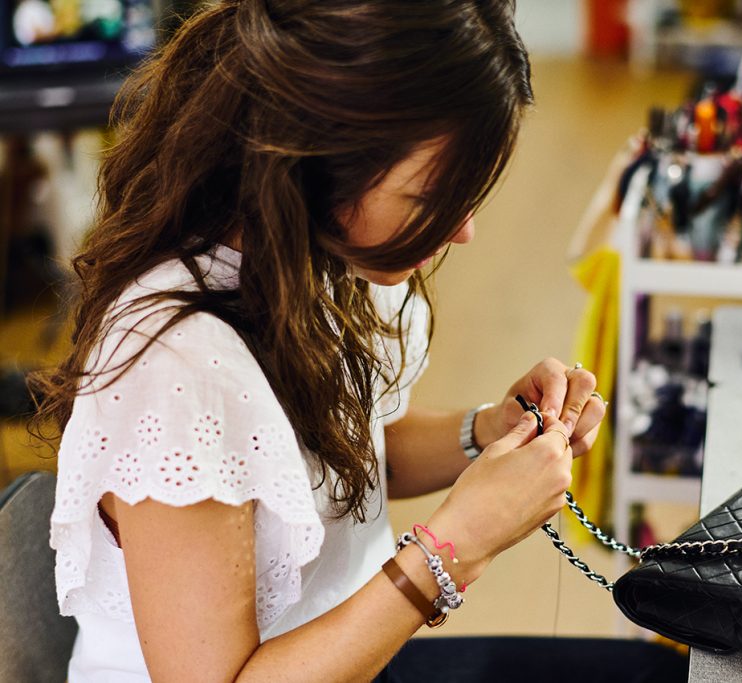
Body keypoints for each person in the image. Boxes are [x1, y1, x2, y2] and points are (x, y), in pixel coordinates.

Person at [33, 1, 688, 680]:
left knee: (667, 673)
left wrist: (489, 430)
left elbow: (347, 458)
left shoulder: (321, 253)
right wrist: (452, 547)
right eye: (433, 194)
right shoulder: (175, 368)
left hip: (355, 662)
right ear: (314, 158)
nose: (463, 228)